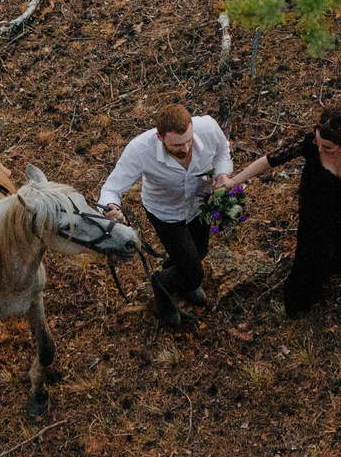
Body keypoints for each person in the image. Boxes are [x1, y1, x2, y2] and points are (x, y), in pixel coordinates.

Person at [229, 98, 341, 317]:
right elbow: (269, 160)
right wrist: (234, 181)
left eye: (327, 147)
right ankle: (299, 303)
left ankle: (337, 270)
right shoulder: (310, 143)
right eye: (318, 141)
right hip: (317, 208)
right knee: (311, 255)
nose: (319, 147)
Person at [98, 101, 237, 323]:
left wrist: (222, 176)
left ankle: (180, 279)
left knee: (199, 252)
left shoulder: (209, 128)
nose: (185, 149)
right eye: (177, 146)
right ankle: (161, 284)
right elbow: (111, 189)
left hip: (198, 205)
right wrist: (112, 208)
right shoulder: (140, 150)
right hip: (165, 213)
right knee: (194, 273)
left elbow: (222, 153)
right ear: (160, 138)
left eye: (189, 141)